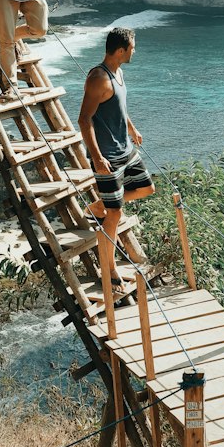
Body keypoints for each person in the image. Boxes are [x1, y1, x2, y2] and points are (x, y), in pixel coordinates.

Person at [78, 27, 154, 287]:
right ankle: (109, 271)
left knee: (147, 188)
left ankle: (99, 205)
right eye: (133, 47)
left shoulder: (118, 73)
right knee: (115, 214)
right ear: (121, 50)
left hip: (125, 149)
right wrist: (97, 158)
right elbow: (84, 119)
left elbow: (118, 107)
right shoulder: (99, 78)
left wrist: (132, 128)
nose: (135, 50)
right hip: (107, 156)